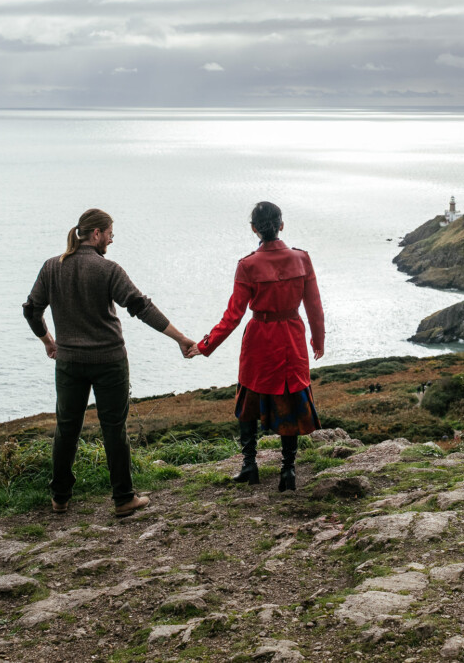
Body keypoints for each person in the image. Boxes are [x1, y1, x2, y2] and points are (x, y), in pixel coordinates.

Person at [23, 208, 195, 518]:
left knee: (67, 429)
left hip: (69, 362)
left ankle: (60, 498)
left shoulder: (51, 268)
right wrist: (179, 338)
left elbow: (31, 310)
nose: (111, 240)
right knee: (114, 429)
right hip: (110, 361)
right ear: (96, 234)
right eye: (110, 234)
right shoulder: (108, 269)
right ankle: (123, 498)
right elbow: (141, 307)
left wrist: (49, 342)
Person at [185, 201, 324, 491]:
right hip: (293, 339)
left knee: (248, 402)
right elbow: (314, 306)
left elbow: (233, 316)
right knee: (289, 401)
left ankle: (249, 465)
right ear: (281, 225)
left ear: (254, 229)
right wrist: (318, 340)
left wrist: (205, 345)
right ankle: (288, 471)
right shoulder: (302, 258)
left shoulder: (247, 265)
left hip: (260, 340)